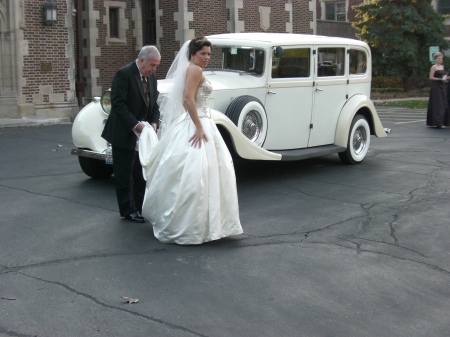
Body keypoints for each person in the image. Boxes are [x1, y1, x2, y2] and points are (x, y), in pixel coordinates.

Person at [140, 37, 243, 244]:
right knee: (200, 173)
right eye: (203, 53)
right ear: (193, 54)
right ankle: (197, 226)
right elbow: (188, 99)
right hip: (198, 122)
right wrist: (198, 125)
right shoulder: (194, 70)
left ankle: (200, 224)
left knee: (199, 172)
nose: (206, 57)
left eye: (209, 54)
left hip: (199, 120)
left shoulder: (190, 68)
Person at [101, 45, 161, 223]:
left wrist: (154, 123)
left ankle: (141, 207)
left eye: (156, 66)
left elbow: (154, 104)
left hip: (143, 134)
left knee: (140, 173)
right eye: (152, 65)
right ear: (141, 60)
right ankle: (127, 210)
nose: (154, 69)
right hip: (124, 132)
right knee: (124, 174)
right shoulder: (124, 74)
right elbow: (118, 105)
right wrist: (136, 126)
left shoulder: (152, 77)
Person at [426, 52, 450, 129]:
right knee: (438, 103)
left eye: (441, 58)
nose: (440, 60)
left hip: (442, 86)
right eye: (439, 58)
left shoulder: (442, 67)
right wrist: (439, 79)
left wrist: (445, 78)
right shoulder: (433, 67)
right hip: (436, 86)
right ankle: (438, 122)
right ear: (435, 59)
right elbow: (431, 77)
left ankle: (444, 121)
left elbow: (444, 76)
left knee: (443, 103)